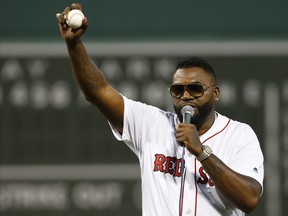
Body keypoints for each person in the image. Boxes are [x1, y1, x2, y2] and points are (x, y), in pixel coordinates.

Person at [57, 3, 264, 216]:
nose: (185, 95)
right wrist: (75, 45)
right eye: (178, 89)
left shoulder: (240, 135)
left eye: (195, 88)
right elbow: (97, 91)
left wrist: (202, 153)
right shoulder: (152, 124)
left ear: (216, 92)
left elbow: (249, 199)